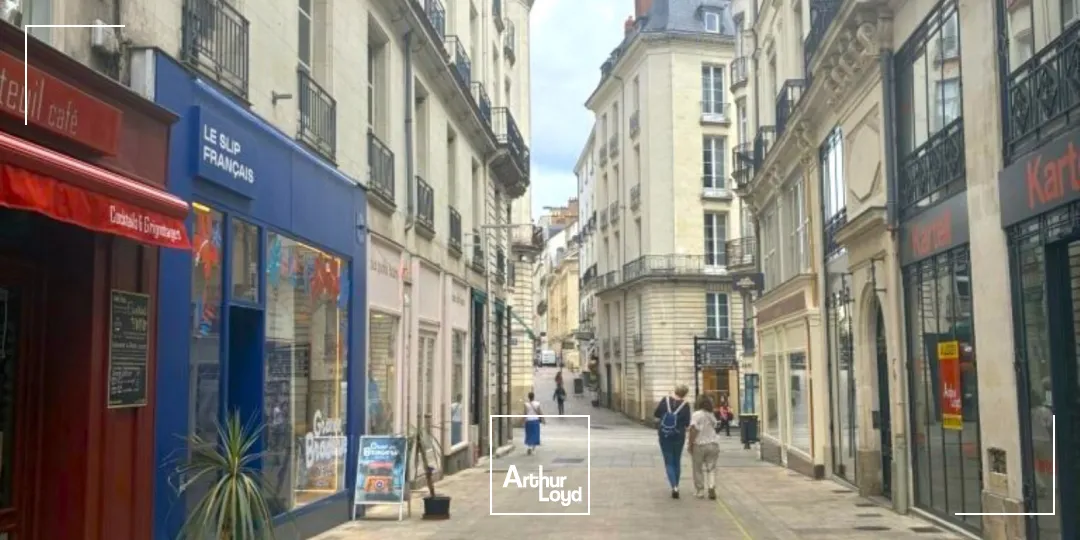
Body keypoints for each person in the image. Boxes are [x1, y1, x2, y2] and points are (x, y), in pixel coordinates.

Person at [653, 385, 692, 498]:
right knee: (677, 460)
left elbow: (656, 414)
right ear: (685, 394)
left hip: (665, 434)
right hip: (679, 435)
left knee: (669, 461)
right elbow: (687, 423)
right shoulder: (686, 405)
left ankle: (674, 486)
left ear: (675, 391)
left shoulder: (665, 401)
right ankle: (676, 486)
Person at [689, 394, 721, 500]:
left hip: (699, 444)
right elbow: (715, 426)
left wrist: (690, 444)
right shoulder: (711, 415)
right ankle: (711, 486)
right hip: (713, 444)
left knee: (697, 468)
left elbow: (693, 429)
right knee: (711, 468)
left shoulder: (696, 414)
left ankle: (700, 490)